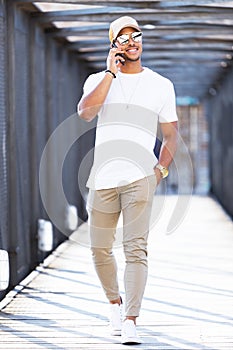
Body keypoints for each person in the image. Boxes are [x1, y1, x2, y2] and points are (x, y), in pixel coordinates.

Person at [77, 16, 178, 345]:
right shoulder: (98, 79)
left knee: (136, 250)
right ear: (113, 45)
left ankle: (132, 319)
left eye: (136, 35)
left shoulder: (161, 85)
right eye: (123, 38)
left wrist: (160, 171)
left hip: (140, 178)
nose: (132, 41)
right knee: (99, 249)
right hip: (103, 177)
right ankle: (114, 305)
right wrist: (110, 73)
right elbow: (85, 112)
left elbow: (171, 135)